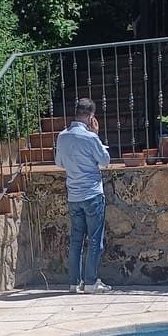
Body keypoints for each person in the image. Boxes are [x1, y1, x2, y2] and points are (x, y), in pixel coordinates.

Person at [54, 98, 112, 294]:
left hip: (74, 195)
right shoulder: (90, 138)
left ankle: (74, 282)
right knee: (95, 240)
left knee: (76, 240)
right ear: (90, 116)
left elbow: (59, 163)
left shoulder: (62, 136)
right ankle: (90, 282)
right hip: (92, 194)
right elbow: (105, 161)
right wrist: (96, 134)